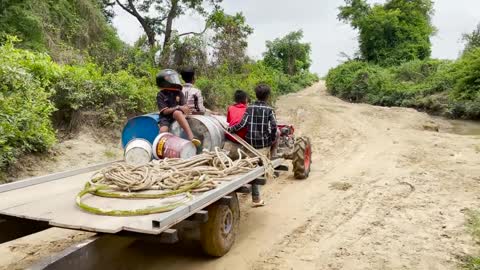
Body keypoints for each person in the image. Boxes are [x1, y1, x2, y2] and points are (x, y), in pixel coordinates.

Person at [228, 84, 278, 207]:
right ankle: (256, 197)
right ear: (267, 96)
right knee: (256, 168)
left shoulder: (249, 108)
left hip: (249, 143)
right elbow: (274, 127)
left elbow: (242, 124)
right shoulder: (270, 110)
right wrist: (271, 140)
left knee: (251, 164)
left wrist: (230, 129)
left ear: (255, 95)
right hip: (263, 145)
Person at [156, 69, 201, 147]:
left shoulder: (179, 93)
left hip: (178, 115)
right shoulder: (161, 94)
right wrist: (178, 107)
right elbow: (165, 111)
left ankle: (192, 137)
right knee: (163, 130)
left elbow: (184, 106)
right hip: (165, 117)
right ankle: (158, 148)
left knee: (177, 113)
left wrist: (186, 112)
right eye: (171, 79)